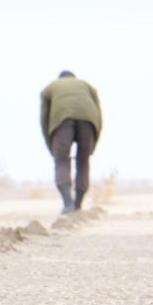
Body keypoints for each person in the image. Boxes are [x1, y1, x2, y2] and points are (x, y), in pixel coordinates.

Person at [39, 71, 102, 214]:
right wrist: (92, 145)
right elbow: (99, 116)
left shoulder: (49, 88)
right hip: (89, 121)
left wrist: (52, 149)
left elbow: (44, 120)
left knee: (61, 161)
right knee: (83, 161)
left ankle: (68, 205)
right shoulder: (87, 86)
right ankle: (78, 204)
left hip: (61, 121)